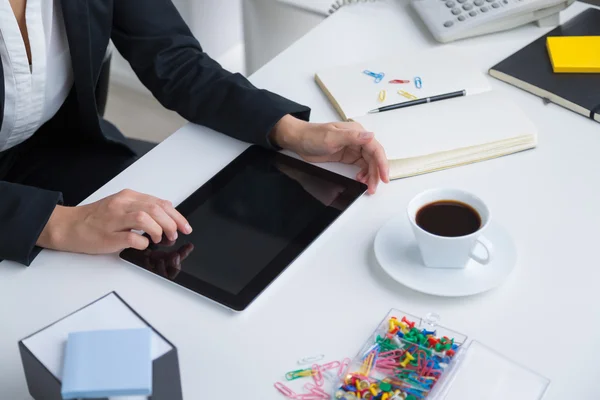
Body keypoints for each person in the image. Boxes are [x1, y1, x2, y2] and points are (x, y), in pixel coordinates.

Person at [0, 0, 389, 266]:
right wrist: (59, 224)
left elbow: (173, 59)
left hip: (57, 150)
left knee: (169, 249)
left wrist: (292, 131)